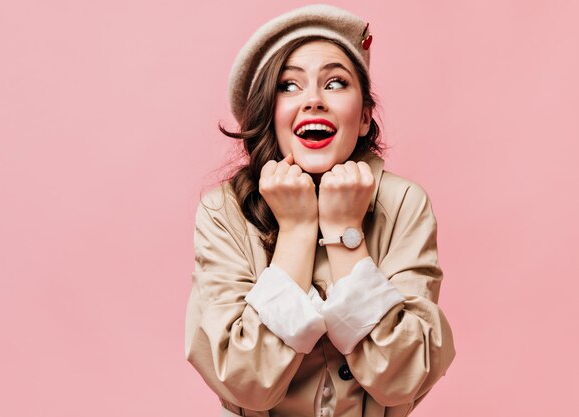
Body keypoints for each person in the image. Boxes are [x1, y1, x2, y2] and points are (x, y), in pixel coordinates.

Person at [185, 4, 456, 417]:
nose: (313, 100)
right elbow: (245, 382)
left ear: (364, 116)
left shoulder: (403, 203)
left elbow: (403, 377)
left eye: (335, 83)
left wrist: (345, 231)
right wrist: (295, 231)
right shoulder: (224, 210)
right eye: (289, 86)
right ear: (268, 113)